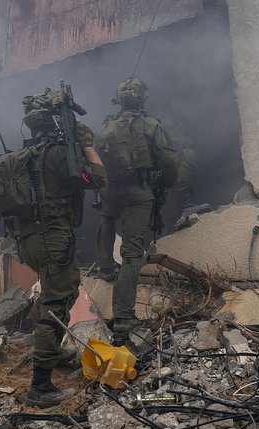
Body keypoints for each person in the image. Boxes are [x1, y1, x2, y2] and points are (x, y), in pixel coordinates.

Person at [18, 88, 107, 408]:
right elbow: (98, 178)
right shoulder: (57, 153)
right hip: (53, 239)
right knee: (55, 305)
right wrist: (86, 143)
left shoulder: (25, 156)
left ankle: (52, 353)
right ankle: (40, 386)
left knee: (63, 294)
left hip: (29, 241)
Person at [94, 78, 178, 345]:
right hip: (139, 191)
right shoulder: (152, 125)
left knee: (107, 219)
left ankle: (105, 268)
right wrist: (166, 185)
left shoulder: (105, 127)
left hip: (110, 190)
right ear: (143, 98)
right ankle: (123, 316)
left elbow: (94, 158)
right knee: (132, 253)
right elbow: (169, 161)